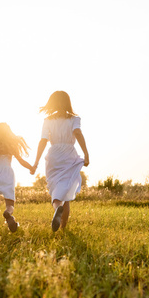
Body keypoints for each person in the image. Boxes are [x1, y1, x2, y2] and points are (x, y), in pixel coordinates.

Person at [31, 91, 89, 232]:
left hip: (54, 156)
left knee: (55, 188)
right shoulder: (74, 119)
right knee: (67, 191)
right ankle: (63, 229)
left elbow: (43, 141)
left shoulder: (48, 120)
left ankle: (57, 208)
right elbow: (78, 133)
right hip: (69, 155)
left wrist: (36, 162)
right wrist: (86, 154)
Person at [0, 123, 34, 237]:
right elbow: (21, 161)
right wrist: (31, 167)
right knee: (10, 203)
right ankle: (8, 212)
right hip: (7, 175)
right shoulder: (11, 147)